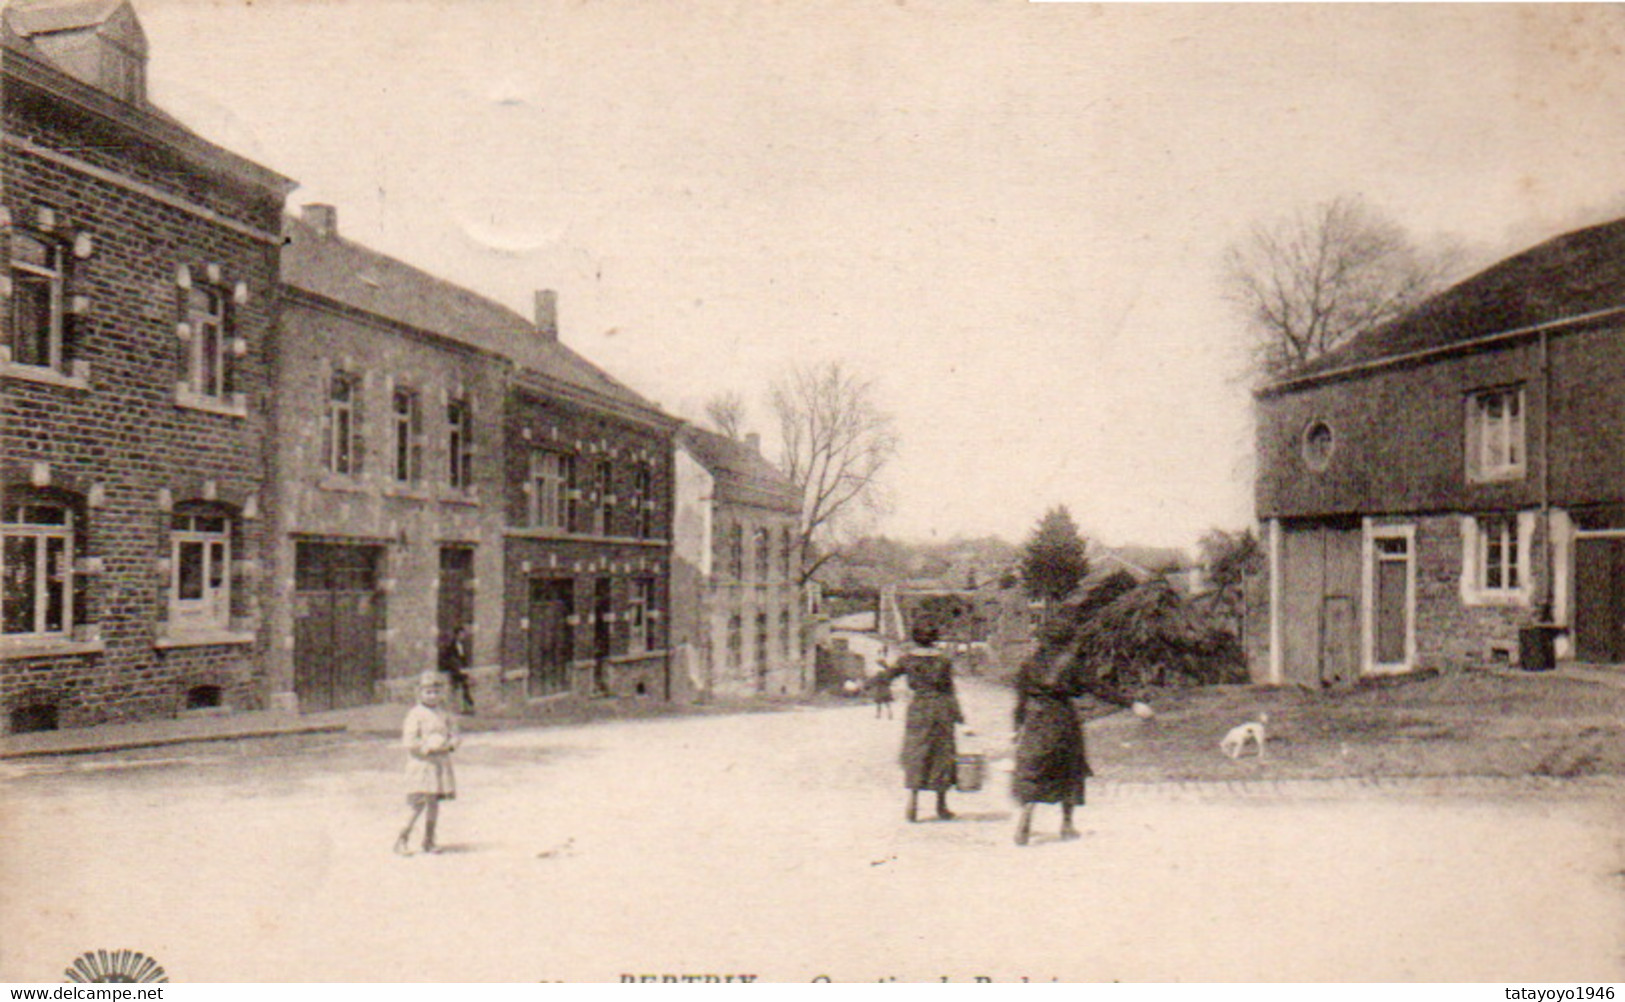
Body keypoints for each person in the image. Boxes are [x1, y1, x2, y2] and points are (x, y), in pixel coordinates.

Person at [1010, 644, 1148, 846]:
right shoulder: (1070, 663)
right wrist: (1131, 703)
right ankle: (1066, 825)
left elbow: (1021, 700)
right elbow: (1097, 687)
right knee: (1071, 769)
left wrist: (1017, 727)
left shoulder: (1029, 664)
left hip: (1036, 720)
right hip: (1062, 719)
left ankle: (1025, 819)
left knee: (1034, 769)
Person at [878, 625, 964, 822]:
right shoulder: (943, 660)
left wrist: (870, 683)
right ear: (935, 638)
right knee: (942, 753)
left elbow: (886, 677)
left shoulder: (907, 659)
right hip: (941, 709)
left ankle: (913, 803)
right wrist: (959, 716)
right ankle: (941, 805)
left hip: (919, 708)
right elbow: (949, 690)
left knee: (917, 752)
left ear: (915, 638)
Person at [395, 671, 460, 855]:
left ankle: (429, 840)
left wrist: (450, 745)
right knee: (418, 803)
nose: (433, 696)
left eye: (436, 692)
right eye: (428, 692)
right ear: (420, 693)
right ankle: (402, 839)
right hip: (422, 764)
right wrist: (428, 747)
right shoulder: (415, 714)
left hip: (440, 764)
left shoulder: (444, 714)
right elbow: (409, 741)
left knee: (434, 802)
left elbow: (454, 733)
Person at [438, 625, 476, 714]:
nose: (463, 636)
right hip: (454, 669)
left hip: (460, 668)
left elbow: (463, 658)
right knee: (464, 682)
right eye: (461, 634)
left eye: (463, 634)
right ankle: (468, 702)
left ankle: (468, 703)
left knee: (465, 683)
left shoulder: (461, 645)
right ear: (456, 635)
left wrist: (465, 668)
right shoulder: (451, 645)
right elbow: (449, 658)